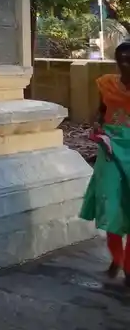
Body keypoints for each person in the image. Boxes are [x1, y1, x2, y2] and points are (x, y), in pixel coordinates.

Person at [80, 40, 130, 285]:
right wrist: (98, 124)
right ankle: (117, 257)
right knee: (110, 200)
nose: (124, 65)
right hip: (110, 147)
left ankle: (128, 265)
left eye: (129, 60)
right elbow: (101, 110)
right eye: (120, 60)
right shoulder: (108, 84)